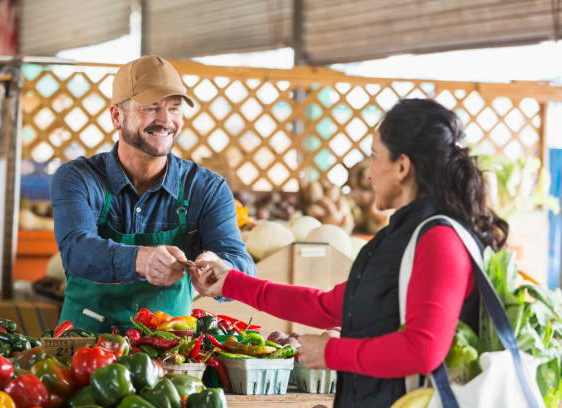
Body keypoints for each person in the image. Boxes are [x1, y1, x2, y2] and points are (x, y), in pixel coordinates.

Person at [190, 98, 508, 407]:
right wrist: (229, 282)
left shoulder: (440, 239)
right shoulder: (402, 237)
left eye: (374, 157)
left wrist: (331, 352)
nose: (369, 173)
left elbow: (424, 349)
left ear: (402, 166)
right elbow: (324, 306)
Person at [51, 55, 255, 333]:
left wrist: (222, 267)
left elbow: (242, 263)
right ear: (116, 116)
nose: (165, 120)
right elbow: (76, 250)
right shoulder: (77, 178)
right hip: (82, 346)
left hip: (171, 350)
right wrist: (140, 260)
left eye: (174, 108)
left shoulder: (207, 188)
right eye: (151, 108)